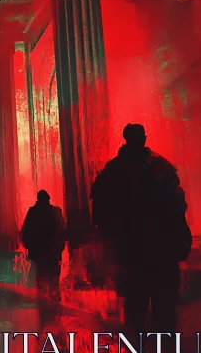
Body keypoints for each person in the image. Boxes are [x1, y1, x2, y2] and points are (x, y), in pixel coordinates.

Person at [91, 124, 191, 336]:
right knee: (157, 312)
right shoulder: (160, 167)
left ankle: (142, 351)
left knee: (140, 312)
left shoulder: (114, 170)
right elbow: (177, 206)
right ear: (143, 138)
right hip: (152, 250)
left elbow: (100, 213)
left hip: (134, 250)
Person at [20, 190, 67, 314]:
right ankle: (53, 295)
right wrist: (60, 245)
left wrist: (28, 244)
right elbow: (62, 230)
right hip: (52, 249)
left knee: (41, 272)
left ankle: (43, 297)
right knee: (53, 273)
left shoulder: (33, 211)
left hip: (38, 249)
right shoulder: (55, 211)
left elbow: (26, 231)